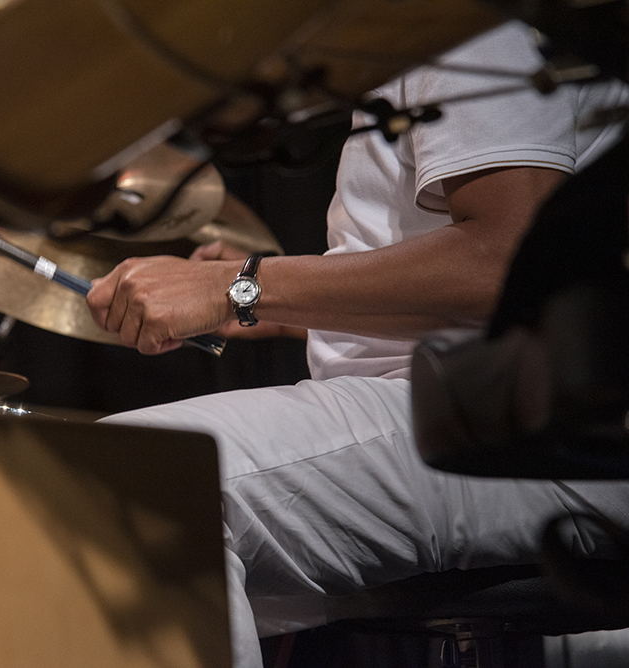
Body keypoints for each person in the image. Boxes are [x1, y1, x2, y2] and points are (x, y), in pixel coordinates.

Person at [85, 21, 629, 668]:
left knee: (130, 482)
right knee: (122, 567)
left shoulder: (466, 28)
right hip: (482, 412)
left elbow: (509, 260)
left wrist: (240, 285)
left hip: (525, 432)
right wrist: (279, 306)